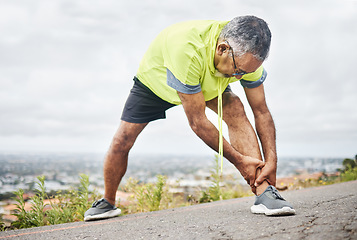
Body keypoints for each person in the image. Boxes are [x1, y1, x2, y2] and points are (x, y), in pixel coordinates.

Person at [84, 15, 295, 221]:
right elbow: (198, 122)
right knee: (122, 140)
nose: (240, 77)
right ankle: (107, 202)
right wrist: (241, 162)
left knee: (235, 108)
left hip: (203, 83)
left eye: (245, 73)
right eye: (238, 71)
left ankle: (265, 193)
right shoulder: (187, 49)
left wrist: (272, 159)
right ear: (222, 49)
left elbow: (261, 111)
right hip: (155, 84)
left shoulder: (245, 58)